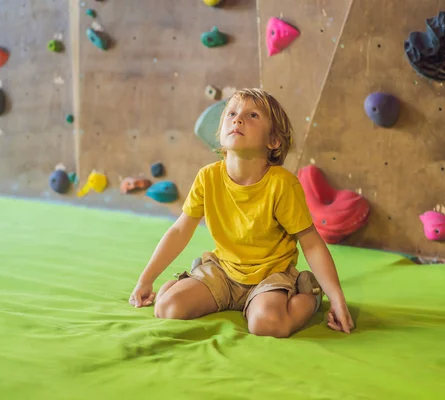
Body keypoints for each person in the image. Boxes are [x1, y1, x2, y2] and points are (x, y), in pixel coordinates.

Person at [129, 88, 354, 338]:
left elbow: (311, 244)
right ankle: (189, 282)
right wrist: (145, 280)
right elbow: (180, 230)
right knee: (167, 308)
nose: (238, 119)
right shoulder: (208, 177)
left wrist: (337, 298)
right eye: (232, 113)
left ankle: (309, 295)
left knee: (266, 324)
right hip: (223, 271)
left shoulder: (282, 184)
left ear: (274, 141)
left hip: (271, 275)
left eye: (253, 115)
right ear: (221, 133)